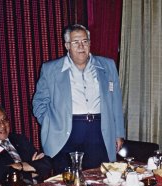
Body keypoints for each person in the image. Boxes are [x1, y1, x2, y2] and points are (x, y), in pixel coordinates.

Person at [32, 24, 125, 174]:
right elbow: (39, 102)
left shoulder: (107, 65)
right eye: (76, 42)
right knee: (67, 181)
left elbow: (116, 101)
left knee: (98, 177)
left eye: (85, 41)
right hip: (65, 133)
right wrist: (52, 124)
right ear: (67, 45)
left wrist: (118, 133)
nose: (81, 46)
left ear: (89, 43)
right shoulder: (50, 69)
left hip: (99, 130)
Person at [0, 104, 52, 185]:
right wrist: (32, 170)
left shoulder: (19, 139)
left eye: (4, 120)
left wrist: (20, 166)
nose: (3, 125)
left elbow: (47, 163)